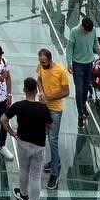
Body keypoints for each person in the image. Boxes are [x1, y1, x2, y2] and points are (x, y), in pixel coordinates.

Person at [2, 76, 51, 200]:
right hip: (38, 145)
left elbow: (3, 119)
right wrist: (45, 106)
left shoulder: (19, 105)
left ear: (24, 90)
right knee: (35, 176)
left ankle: (23, 195)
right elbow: (50, 126)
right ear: (36, 90)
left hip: (23, 142)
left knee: (23, 169)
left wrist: (11, 132)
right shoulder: (42, 108)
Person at [35, 49, 70, 189]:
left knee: (53, 139)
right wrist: (42, 92)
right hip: (44, 107)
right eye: (40, 62)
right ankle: (56, 161)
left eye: (44, 62)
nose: (42, 65)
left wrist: (48, 97)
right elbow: (39, 79)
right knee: (44, 136)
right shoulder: (41, 67)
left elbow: (66, 91)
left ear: (50, 59)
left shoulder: (60, 71)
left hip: (55, 109)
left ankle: (54, 175)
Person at [66, 17, 100, 124]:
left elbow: (95, 43)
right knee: (79, 89)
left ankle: (83, 106)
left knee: (86, 88)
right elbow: (69, 48)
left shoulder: (93, 30)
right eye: (87, 30)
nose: (89, 32)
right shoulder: (74, 31)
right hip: (77, 64)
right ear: (82, 27)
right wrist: (69, 62)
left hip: (89, 64)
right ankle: (79, 113)